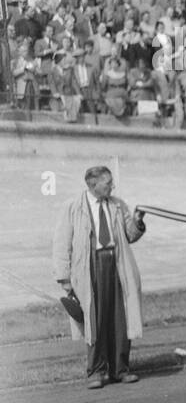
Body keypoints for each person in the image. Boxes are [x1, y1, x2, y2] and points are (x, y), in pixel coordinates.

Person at [52, 165, 146, 389]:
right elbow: (61, 243)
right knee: (95, 319)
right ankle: (96, 372)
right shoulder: (73, 207)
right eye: (107, 183)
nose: (112, 186)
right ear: (93, 185)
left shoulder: (117, 204)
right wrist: (64, 278)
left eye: (111, 182)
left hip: (117, 264)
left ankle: (120, 369)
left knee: (120, 317)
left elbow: (130, 235)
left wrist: (138, 221)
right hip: (89, 268)